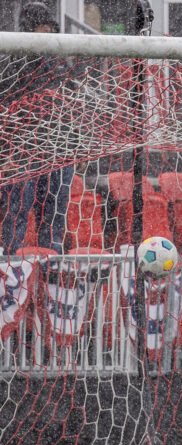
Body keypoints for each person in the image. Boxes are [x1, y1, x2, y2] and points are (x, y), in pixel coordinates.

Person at [0, 2, 74, 255]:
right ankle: (11, 274)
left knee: (53, 218)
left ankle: (51, 276)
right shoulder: (10, 63)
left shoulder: (60, 64)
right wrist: (6, 151)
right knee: (17, 213)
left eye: (51, 28)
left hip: (57, 150)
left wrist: (74, 143)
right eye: (43, 27)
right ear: (30, 27)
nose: (49, 32)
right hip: (22, 153)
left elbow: (70, 107)